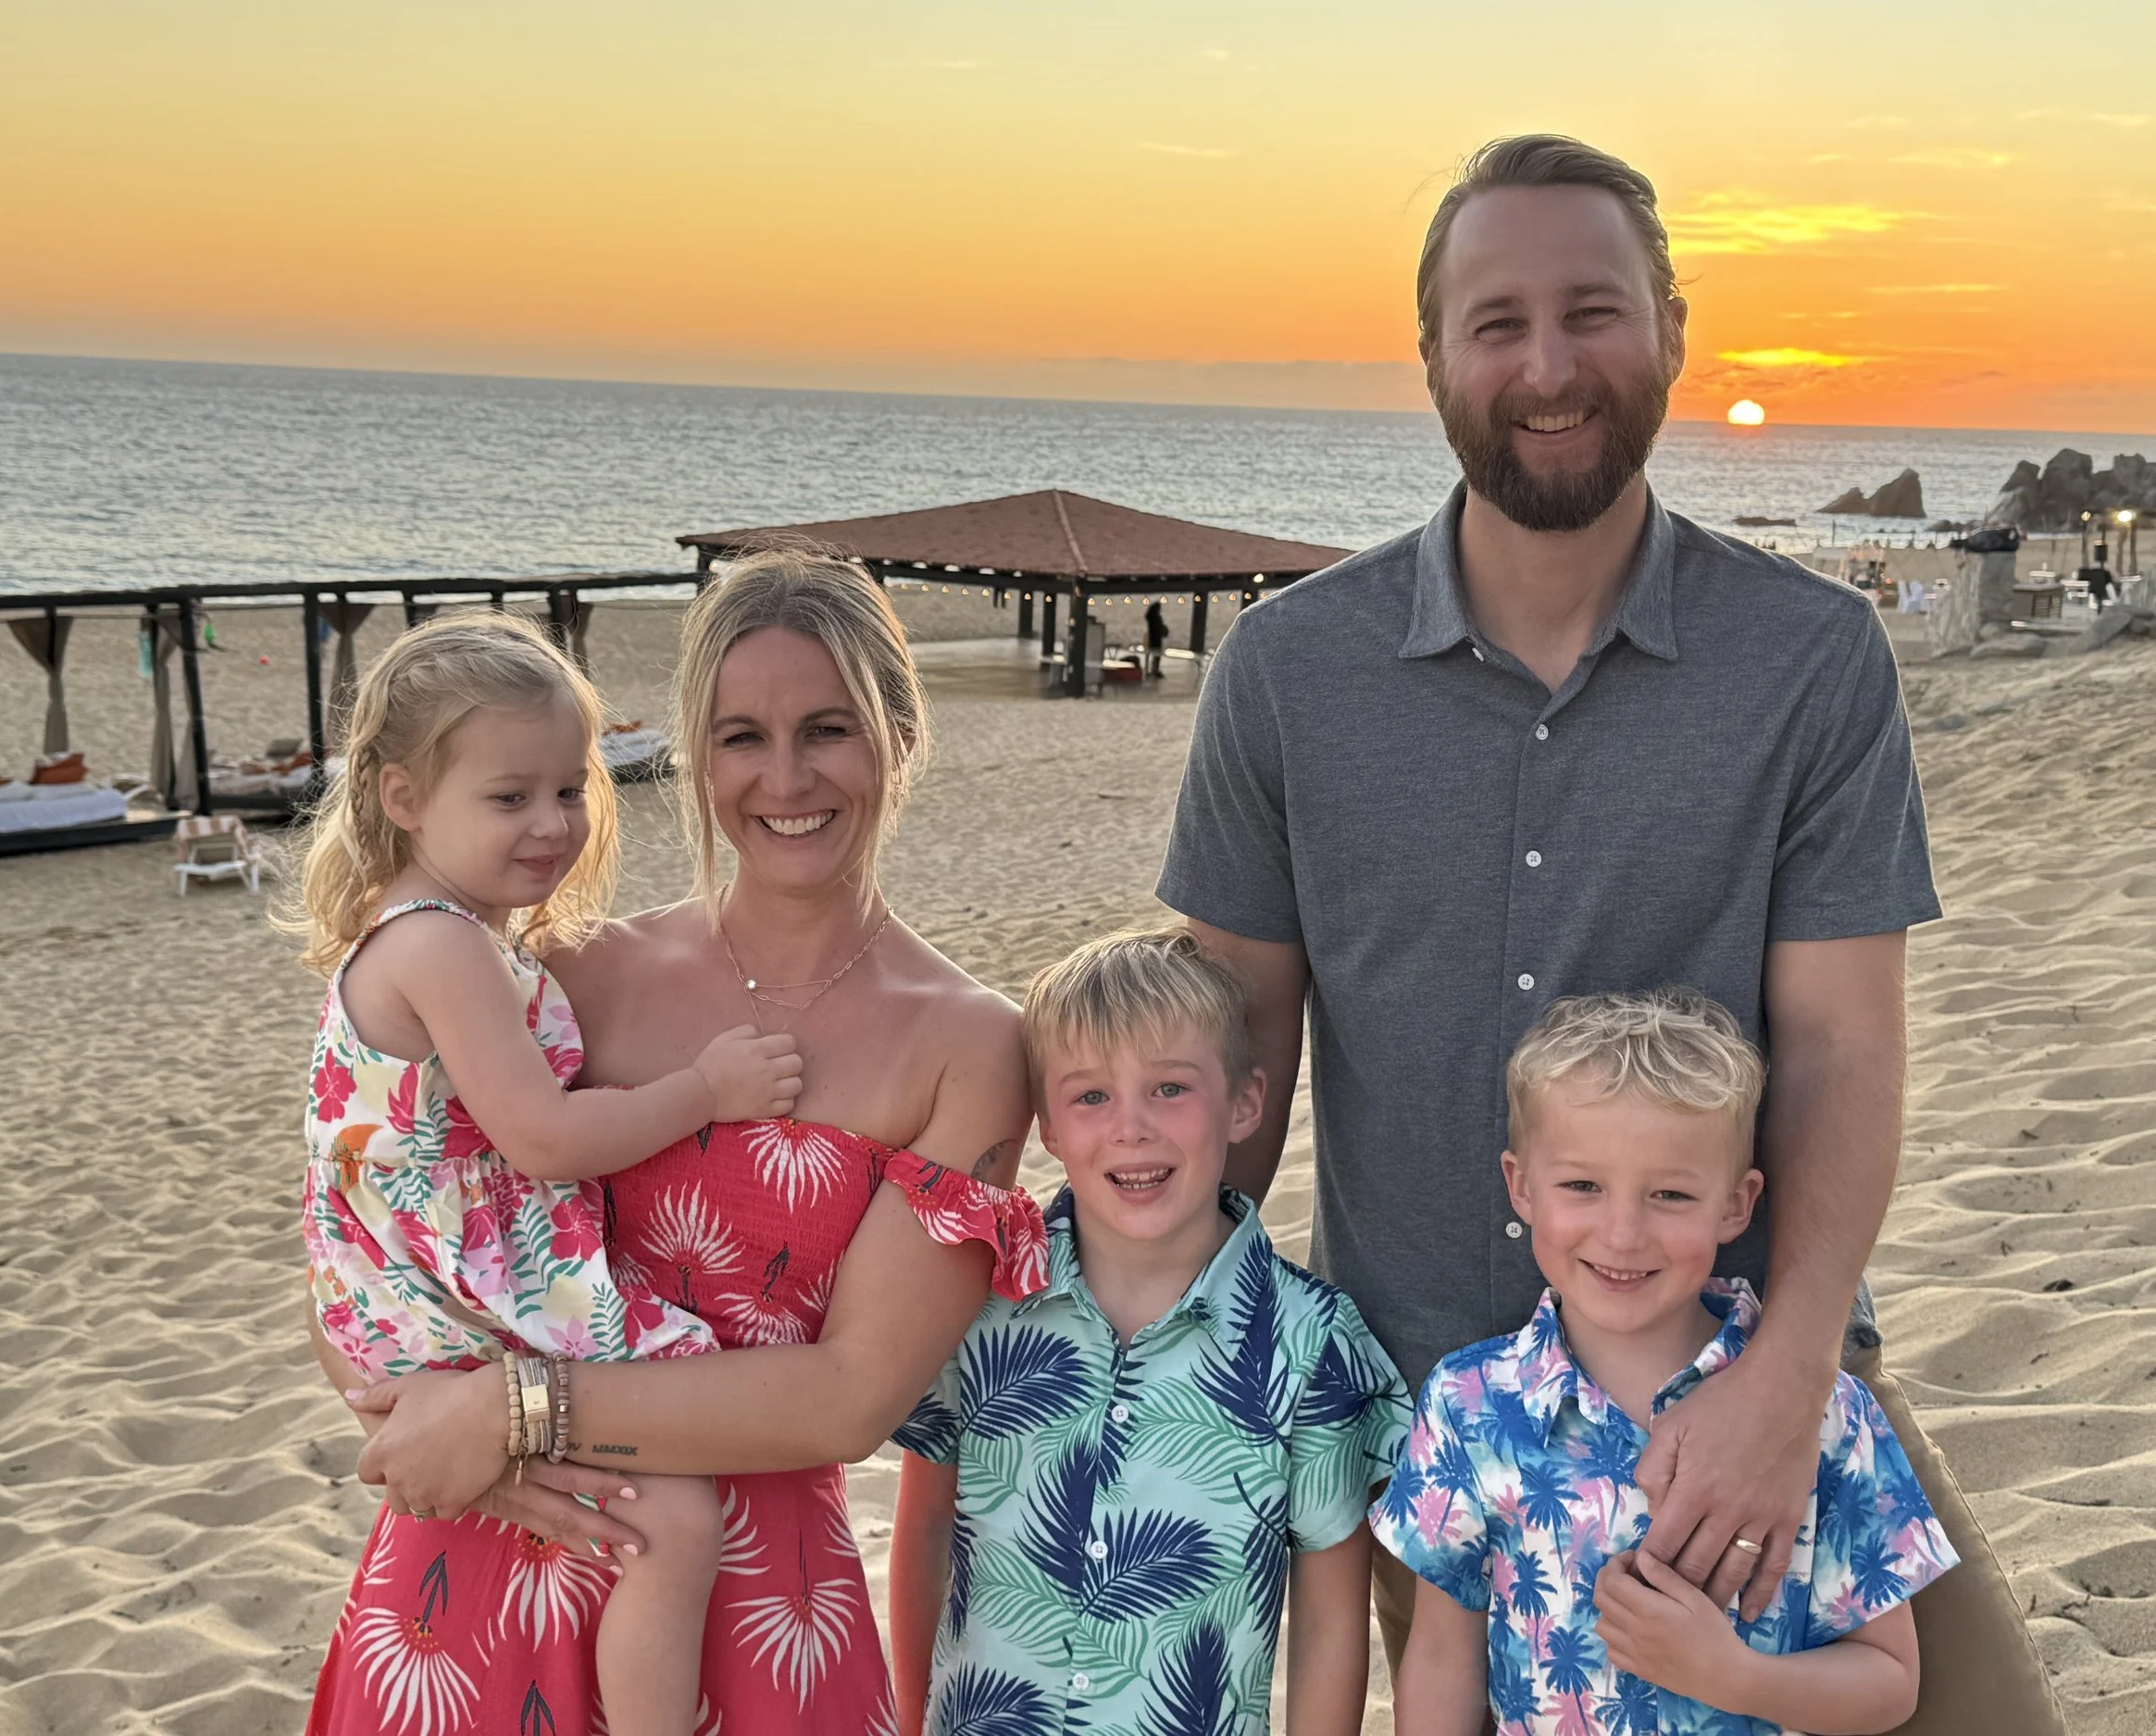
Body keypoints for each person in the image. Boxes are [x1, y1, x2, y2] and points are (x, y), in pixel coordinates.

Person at [1157, 133, 2065, 1734]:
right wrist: (1176, 1372)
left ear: (1673, 335)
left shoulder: (1810, 661)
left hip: (1751, 1389)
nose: (1550, 365)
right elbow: (1225, 1062)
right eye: (1497, 322)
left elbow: (1846, 1041)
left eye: (1594, 312)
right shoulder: (1290, 672)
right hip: (1427, 1432)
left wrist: (1789, 1385)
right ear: (1435, 355)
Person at [310, 549, 1052, 1734]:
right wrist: (402, 1405)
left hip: (760, 1607)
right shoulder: (573, 975)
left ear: (900, 736)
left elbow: (849, 1401)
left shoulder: (968, 1044)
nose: (785, 777)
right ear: (693, 757)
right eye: (739, 737)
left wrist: (516, 1409)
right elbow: (368, 1198)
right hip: (488, 1559)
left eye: (828, 728)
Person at [295, 611, 816, 1733]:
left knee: (645, 1501)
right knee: (674, 1519)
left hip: (416, 1279)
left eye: (569, 790)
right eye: (508, 797)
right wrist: (704, 1093)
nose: (551, 824)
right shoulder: (440, 944)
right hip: (457, 1292)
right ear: (402, 799)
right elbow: (542, 1139)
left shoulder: (442, 935)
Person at [1378, 991, 1957, 1735]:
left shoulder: (1821, 1411)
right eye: (1582, 1185)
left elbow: (1890, 1681)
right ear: (1521, 1185)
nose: (1623, 1234)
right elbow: (1437, 1663)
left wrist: (1733, 1676)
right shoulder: (1466, 1402)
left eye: (1671, 1194)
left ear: (1737, 1204)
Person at [889, 927, 1409, 1736]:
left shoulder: (1313, 1344)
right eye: (1091, 1095)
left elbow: (1329, 1618)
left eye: (1169, 1088)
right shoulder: (981, 1298)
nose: (1131, 1128)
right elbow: (924, 1522)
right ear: (1049, 1127)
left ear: (1245, 1102)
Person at [1144, 600, 1172, 677]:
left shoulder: (1149, 617)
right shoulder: (1157, 617)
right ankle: (1155, 670)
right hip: (1157, 639)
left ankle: (1148, 670)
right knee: (1157, 656)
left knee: (1150, 654)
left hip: (1151, 638)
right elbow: (1160, 627)